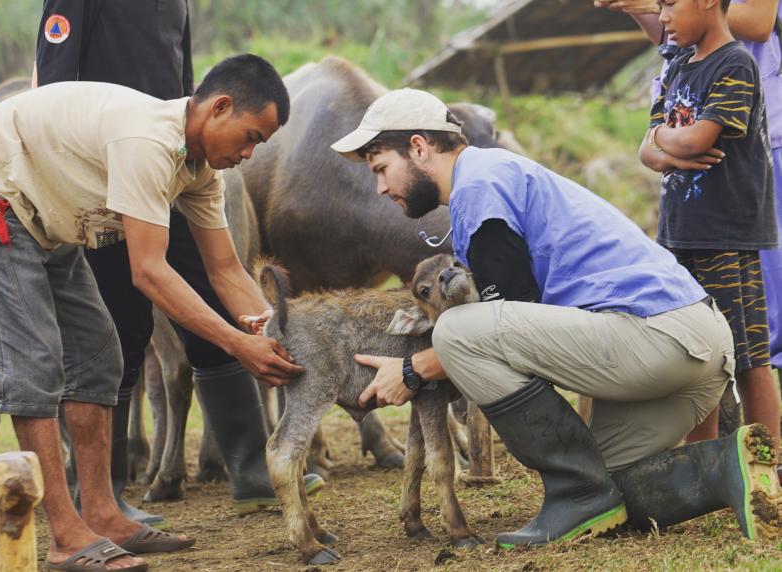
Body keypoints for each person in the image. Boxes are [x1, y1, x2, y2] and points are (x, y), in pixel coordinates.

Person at [331, 87, 781, 547]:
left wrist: (411, 370)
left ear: (419, 148)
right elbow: (514, 320)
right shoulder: (498, 176)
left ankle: (574, 492)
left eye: (381, 168)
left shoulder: (481, 186)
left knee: (458, 330)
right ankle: (725, 467)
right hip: (698, 348)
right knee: (609, 486)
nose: (381, 188)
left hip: (656, 336)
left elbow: (494, 325)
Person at [0, 55, 299, 571]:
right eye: (249, 138)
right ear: (219, 107)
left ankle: (104, 515)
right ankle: (66, 538)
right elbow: (149, 272)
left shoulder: (200, 170)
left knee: (98, 357)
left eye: (257, 146)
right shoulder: (148, 143)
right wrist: (236, 343)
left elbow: (226, 271)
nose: (248, 153)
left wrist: (279, 336)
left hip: (53, 214)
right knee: (35, 367)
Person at [32, 0, 322, 524]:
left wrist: (279, 330)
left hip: (177, 157)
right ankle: (103, 492)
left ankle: (255, 468)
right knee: (118, 325)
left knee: (215, 293)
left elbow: (190, 84)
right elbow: (52, 85)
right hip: (108, 167)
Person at [597, 0, 782, 444]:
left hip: (725, 235)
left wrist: (663, 141)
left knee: (746, 356)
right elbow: (647, 148)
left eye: (669, 5)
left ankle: (770, 463)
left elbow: (699, 137)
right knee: (700, 352)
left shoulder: (735, 63)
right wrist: (663, 143)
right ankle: (706, 464)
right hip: (680, 233)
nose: (661, 18)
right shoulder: (679, 62)